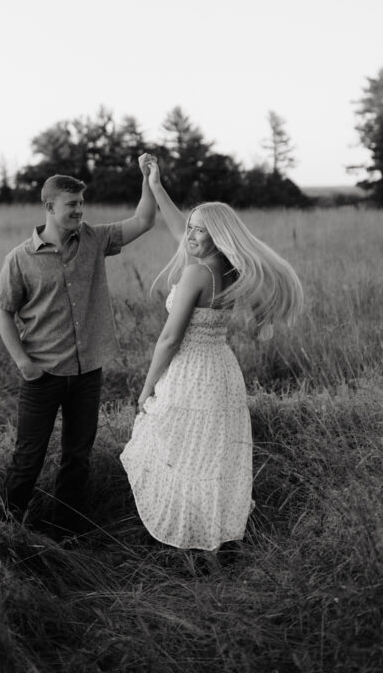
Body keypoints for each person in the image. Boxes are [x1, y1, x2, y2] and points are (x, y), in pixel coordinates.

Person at [120, 157, 303, 551]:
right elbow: (182, 232)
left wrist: (147, 387)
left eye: (200, 231)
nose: (190, 235)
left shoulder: (196, 273)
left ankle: (190, 541)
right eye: (191, 227)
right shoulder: (228, 267)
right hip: (220, 371)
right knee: (211, 460)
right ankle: (217, 541)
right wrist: (156, 185)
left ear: (216, 236)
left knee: (182, 457)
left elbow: (169, 339)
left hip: (191, 374)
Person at [0, 158, 156, 540]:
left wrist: (147, 179)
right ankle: (7, 530)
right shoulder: (20, 259)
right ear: (49, 207)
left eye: (82, 204)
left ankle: (65, 533)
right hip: (42, 375)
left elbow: (144, 221)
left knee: (77, 458)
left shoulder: (94, 239)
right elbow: (3, 313)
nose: (80, 211)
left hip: (86, 374)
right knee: (28, 458)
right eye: (72, 205)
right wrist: (23, 363)